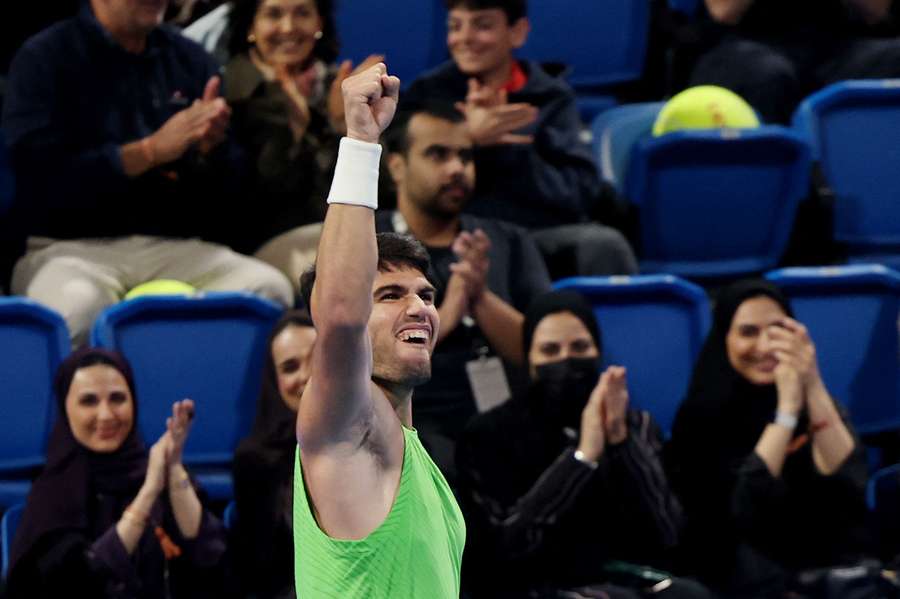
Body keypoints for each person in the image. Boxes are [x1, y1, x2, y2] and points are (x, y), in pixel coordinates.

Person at [2, 0, 293, 346]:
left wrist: (208, 151)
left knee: (267, 291)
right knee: (77, 307)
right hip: (66, 248)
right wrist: (149, 152)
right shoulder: (44, 58)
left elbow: (232, 194)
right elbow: (39, 180)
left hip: (172, 245)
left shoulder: (191, 60)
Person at [292, 63, 464, 597]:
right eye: (390, 296)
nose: (420, 308)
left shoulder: (414, 453)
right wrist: (362, 143)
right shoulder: (349, 426)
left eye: (426, 295)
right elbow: (342, 315)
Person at [456, 290, 712, 599]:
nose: (566, 359)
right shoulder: (489, 434)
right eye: (550, 350)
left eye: (579, 346)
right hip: (537, 586)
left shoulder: (635, 424)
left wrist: (621, 442)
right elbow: (507, 544)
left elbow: (668, 532)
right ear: (530, 359)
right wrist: (581, 457)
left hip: (623, 579)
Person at [666, 279, 871, 597]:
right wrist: (786, 414)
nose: (765, 346)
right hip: (740, 569)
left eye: (777, 330)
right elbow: (742, 510)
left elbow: (848, 481)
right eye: (748, 332)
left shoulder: (814, 403)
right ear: (725, 338)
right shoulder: (701, 415)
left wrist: (812, 382)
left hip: (825, 565)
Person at [376, 100, 551, 473]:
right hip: (408, 422)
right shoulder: (369, 245)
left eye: (465, 156)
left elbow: (545, 352)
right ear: (397, 166)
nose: (457, 169)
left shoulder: (507, 242)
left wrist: (481, 298)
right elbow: (346, 352)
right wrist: (448, 313)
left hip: (503, 418)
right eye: (437, 155)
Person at [404, 0, 636, 278]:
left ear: (518, 32)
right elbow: (401, 184)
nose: (465, 38)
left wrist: (505, 148)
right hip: (451, 237)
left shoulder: (550, 98)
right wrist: (468, 143)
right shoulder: (425, 95)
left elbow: (578, 193)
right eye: (455, 26)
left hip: (535, 235)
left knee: (602, 246)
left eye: (482, 25)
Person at [6, 348, 227, 598]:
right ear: (65, 409)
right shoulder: (53, 493)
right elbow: (75, 585)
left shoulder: (154, 467)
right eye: (89, 401)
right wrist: (147, 494)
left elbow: (211, 558)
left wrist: (174, 468)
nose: (106, 414)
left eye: (117, 399)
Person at [222, 0, 382, 257]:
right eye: (274, 14)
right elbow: (246, 202)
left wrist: (345, 127)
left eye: (302, 13)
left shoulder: (340, 86)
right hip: (257, 246)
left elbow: (382, 188)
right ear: (250, 26)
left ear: (319, 23)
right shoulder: (228, 94)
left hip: (338, 231)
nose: (288, 28)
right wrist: (294, 132)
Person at [687, 0, 900, 123]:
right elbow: (724, 11)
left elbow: (875, 11)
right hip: (745, 45)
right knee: (769, 75)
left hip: (834, 46)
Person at [232, 309, 316, 599]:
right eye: (290, 367)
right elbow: (257, 573)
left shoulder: (378, 439)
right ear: (275, 381)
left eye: (317, 359)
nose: (306, 376)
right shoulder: (255, 460)